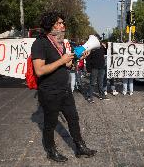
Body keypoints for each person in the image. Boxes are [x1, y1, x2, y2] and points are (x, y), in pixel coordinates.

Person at [31, 11, 96, 163]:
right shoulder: (40, 43)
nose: (62, 26)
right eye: (59, 23)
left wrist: (76, 59)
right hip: (49, 92)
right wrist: (61, 61)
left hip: (64, 90)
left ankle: (80, 147)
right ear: (50, 26)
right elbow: (39, 70)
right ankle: (50, 150)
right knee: (50, 124)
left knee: (73, 118)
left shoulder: (59, 43)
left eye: (62, 23)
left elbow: (66, 65)